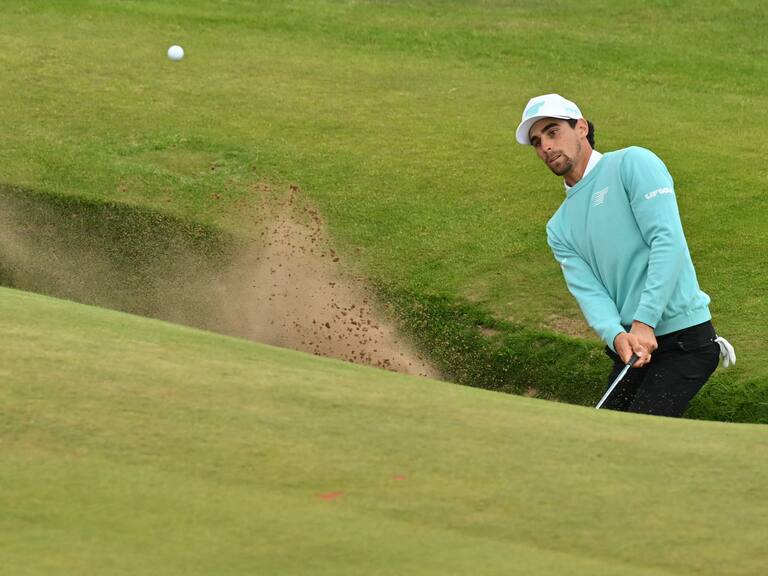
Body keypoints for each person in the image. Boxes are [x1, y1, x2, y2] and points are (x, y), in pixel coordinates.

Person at [515, 93, 735, 417]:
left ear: (581, 128)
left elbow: (667, 241)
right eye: (536, 141)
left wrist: (644, 321)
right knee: (606, 435)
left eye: (552, 131)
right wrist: (616, 335)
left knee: (636, 435)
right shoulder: (558, 227)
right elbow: (590, 293)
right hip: (631, 346)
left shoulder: (632, 163)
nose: (545, 146)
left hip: (685, 341)